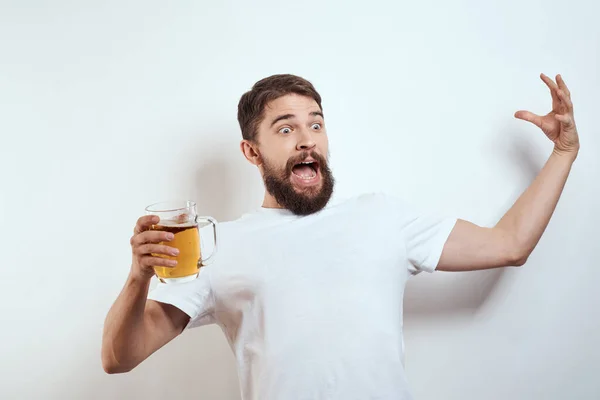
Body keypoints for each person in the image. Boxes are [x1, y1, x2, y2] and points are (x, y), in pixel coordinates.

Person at [101, 73, 580, 399]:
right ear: (251, 151)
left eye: (315, 124)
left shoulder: (382, 217)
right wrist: (138, 277)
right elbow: (120, 357)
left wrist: (563, 152)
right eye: (285, 128)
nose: (307, 138)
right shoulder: (216, 246)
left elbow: (509, 245)